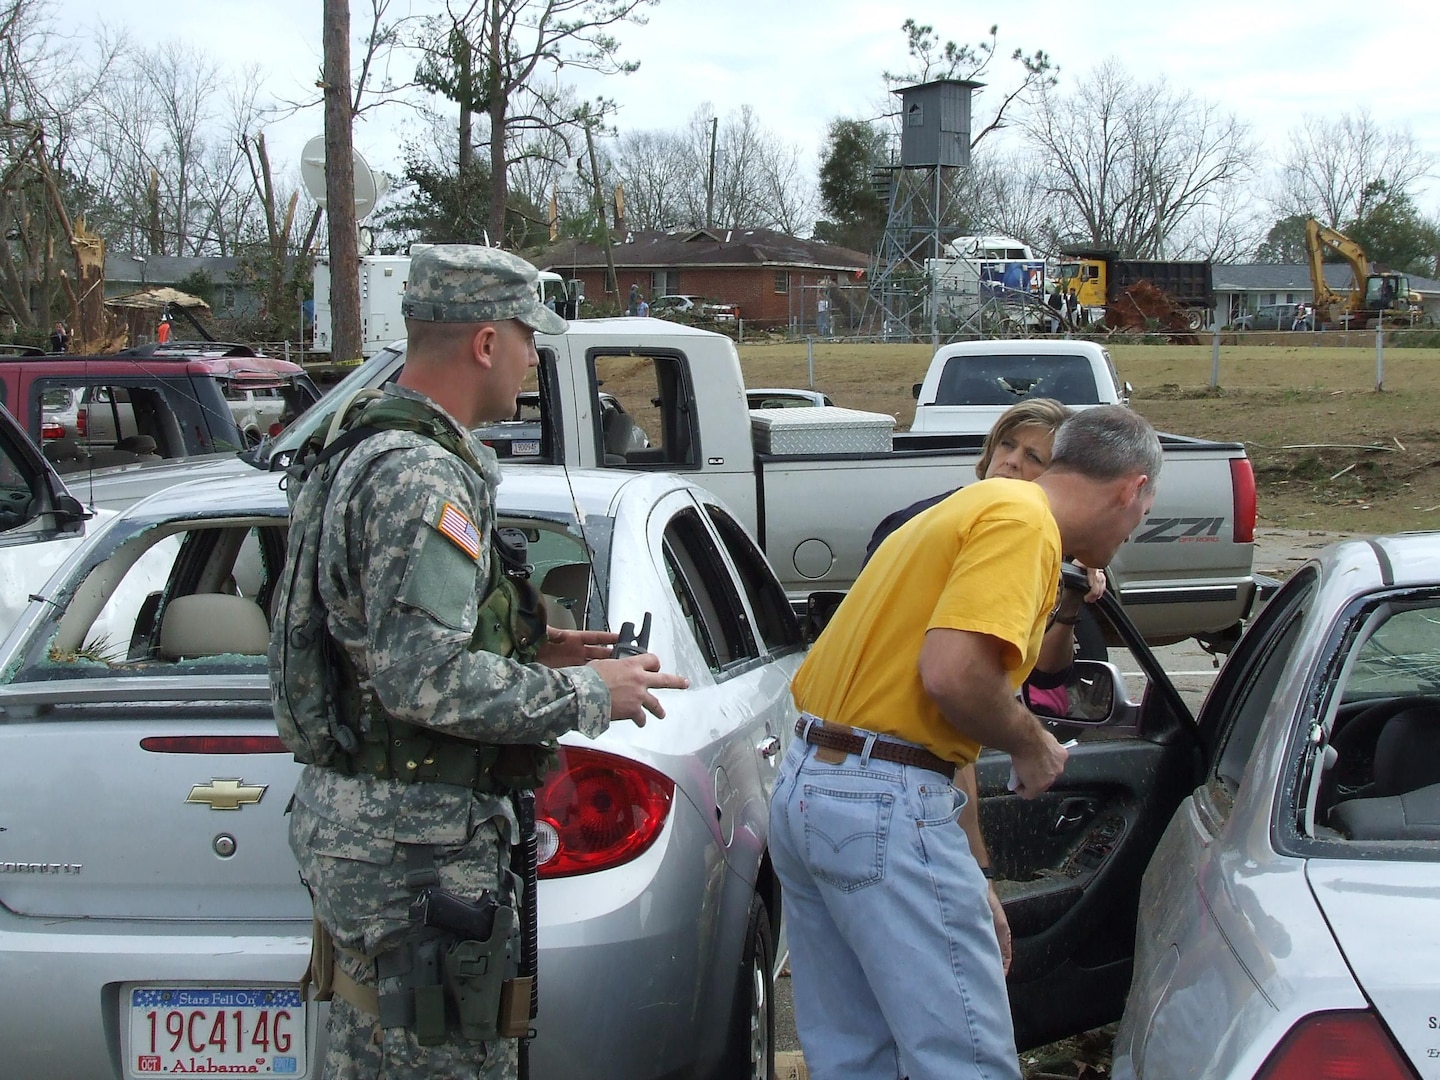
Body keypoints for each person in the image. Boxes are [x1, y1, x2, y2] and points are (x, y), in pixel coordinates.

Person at [271, 244, 689, 1080]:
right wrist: (583, 693)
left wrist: (528, 645)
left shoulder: (369, 445)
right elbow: (421, 677)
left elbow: (378, 635)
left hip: (383, 839)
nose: (536, 358)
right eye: (530, 338)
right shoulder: (420, 475)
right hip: (413, 852)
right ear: (486, 342)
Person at [770, 404, 1160, 1080]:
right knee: (965, 1062)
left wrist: (973, 874)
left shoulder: (975, 504)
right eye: (1142, 513)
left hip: (812, 783)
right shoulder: (1025, 523)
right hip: (881, 799)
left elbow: (933, 729)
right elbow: (953, 676)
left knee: (856, 1055)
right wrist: (1033, 741)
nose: (1134, 528)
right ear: (1132, 489)